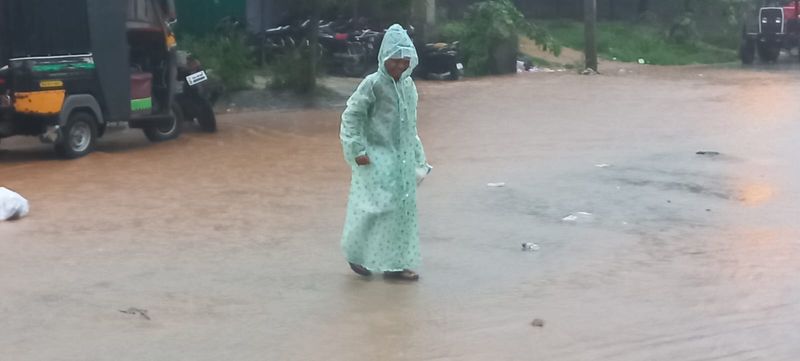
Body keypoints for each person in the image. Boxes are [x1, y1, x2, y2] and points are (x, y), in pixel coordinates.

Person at [339, 24, 428, 281]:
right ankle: (356, 254)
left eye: (404, 61)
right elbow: (352, 116)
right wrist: (356, 149)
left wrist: (419, 158)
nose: (399, 66)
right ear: (384, 58)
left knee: (402, 211)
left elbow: (410, 125)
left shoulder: (409, 87)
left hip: (402, 158)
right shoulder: (373, 84)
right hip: (376, 156)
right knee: (372, 208)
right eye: (394, 60)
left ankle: (396, 265)